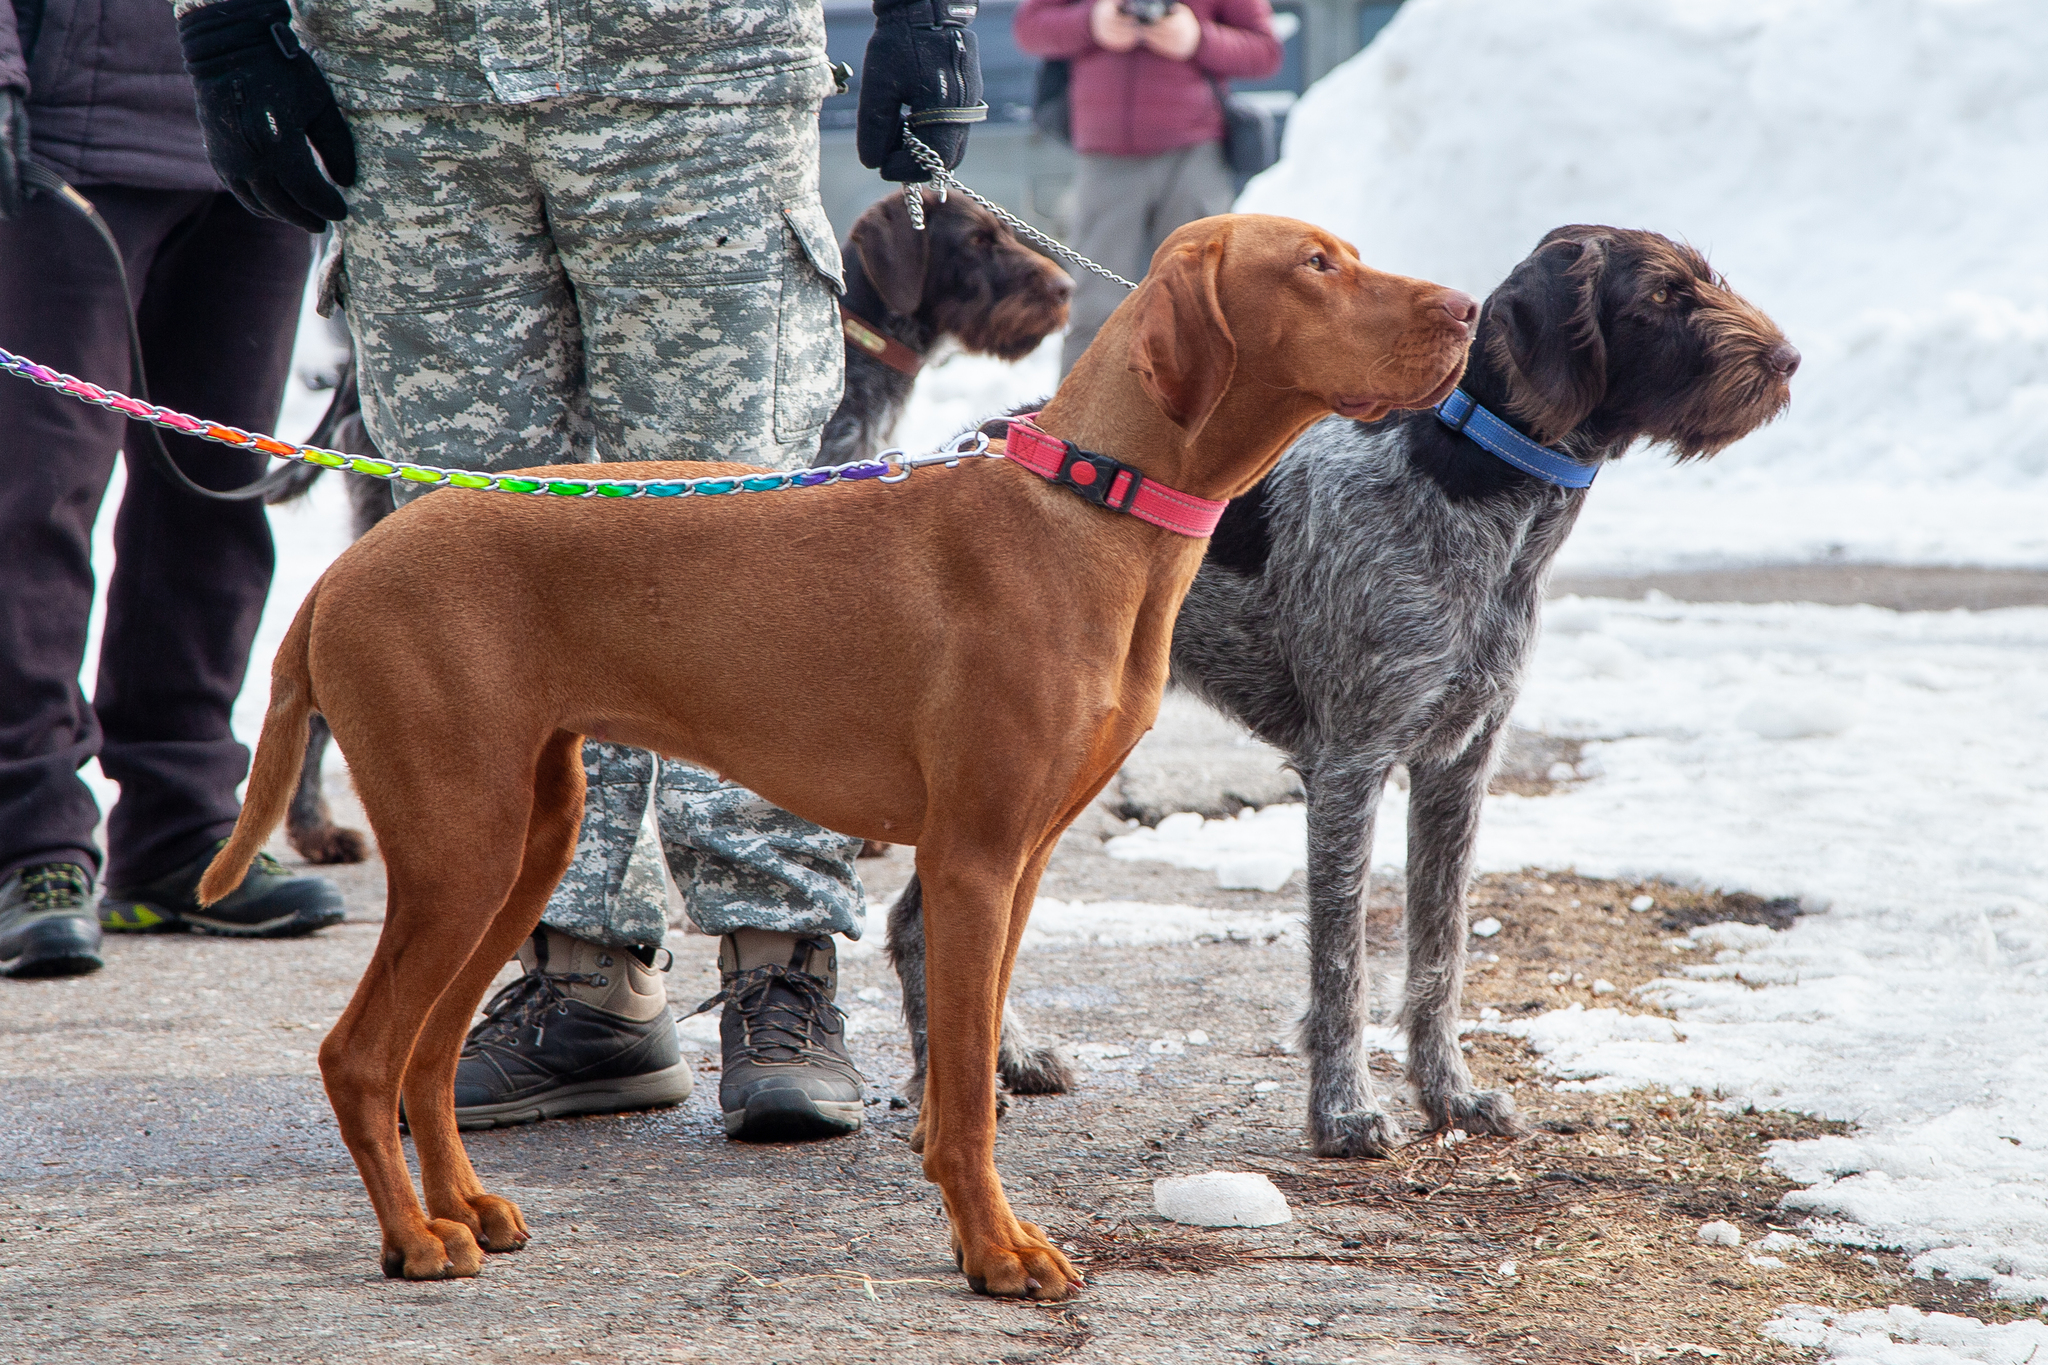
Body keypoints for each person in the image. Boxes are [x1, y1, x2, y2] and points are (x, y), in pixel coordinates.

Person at [169, 0, 983, 1139]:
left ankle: (775, 962)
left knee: (750, 545)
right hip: (410, 87)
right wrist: (223, 19)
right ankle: (580, 981)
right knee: (477, 570)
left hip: (694, 73)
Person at [0, 0, 346, 980]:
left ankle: (179, 829)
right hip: (69, 137)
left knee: (217, 496)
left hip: (261, 127)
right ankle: (30, 845)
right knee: (34, 504)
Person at [1015, 0, 1279, 374]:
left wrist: (1197, 38)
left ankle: (1195, 427)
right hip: (1105, 160)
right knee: (1095, 310)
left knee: (1195, 308)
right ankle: (1076, 428)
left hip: (1194, 158)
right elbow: (1029, 27)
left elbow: (1265, 51)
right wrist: (1091, 22)